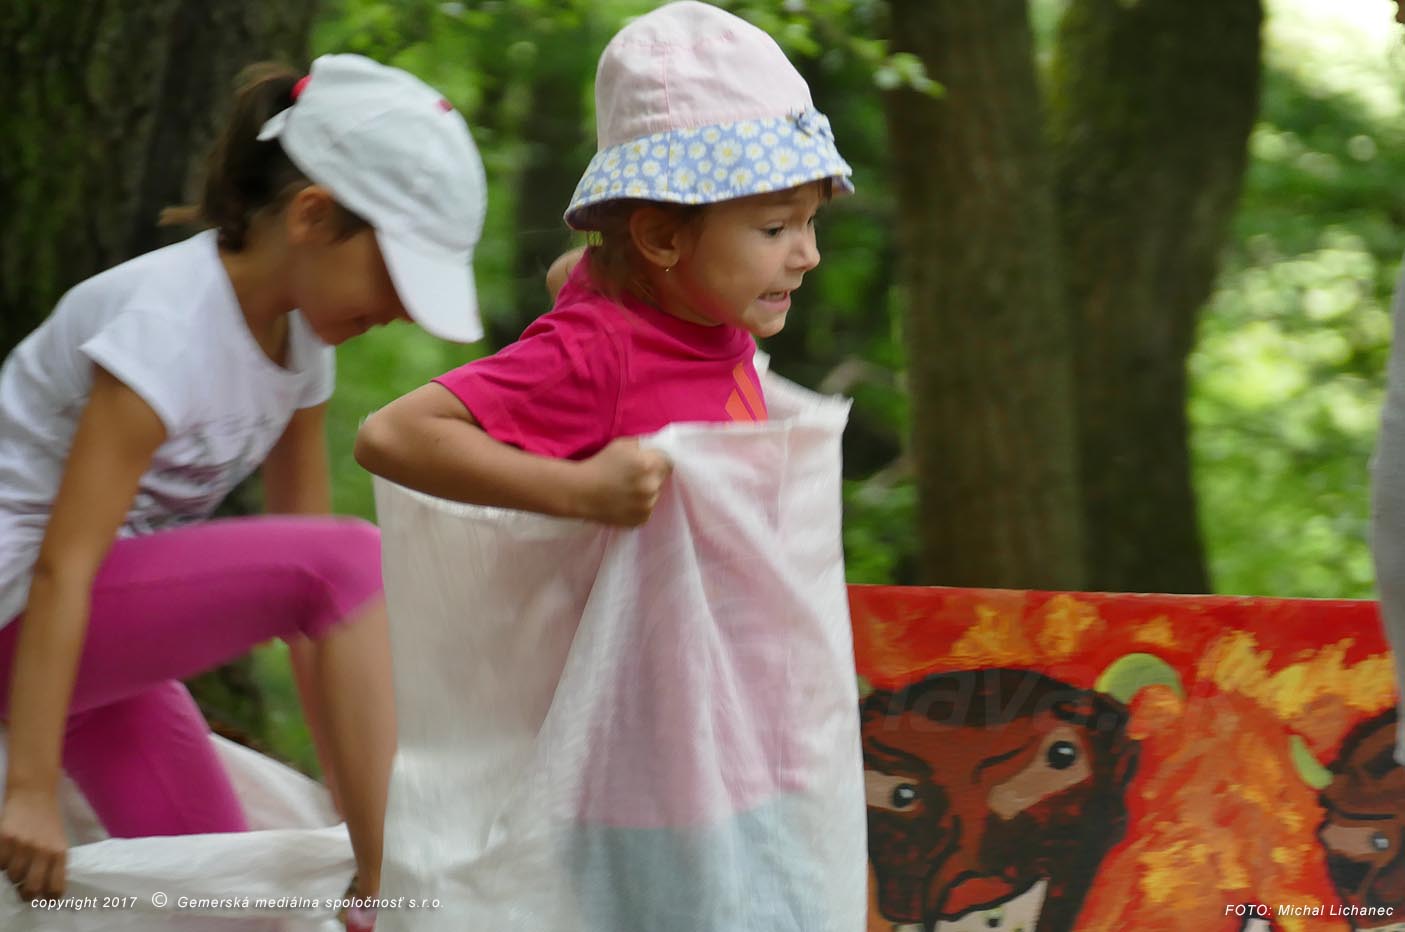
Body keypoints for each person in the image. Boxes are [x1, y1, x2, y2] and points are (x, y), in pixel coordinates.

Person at [355, 2, 854, 927]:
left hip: (743, 735)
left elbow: (573, 276)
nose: (808, 253)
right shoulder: (601, 350)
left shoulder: (699, 308)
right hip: (650, 775)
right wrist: (577, 489)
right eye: (774, 227)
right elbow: (394, 434)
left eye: (809, 221)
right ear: (661, 238)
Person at [0, 53, 486, 932]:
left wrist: (347, 797)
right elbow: (62, 568)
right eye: (396, 278)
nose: (404, 310)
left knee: (229, 911)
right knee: (353, 554)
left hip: (85, 655)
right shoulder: (165, 326)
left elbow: (325, 620)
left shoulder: (302, 348)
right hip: (23, 612)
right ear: (311, 216)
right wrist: (29, 790)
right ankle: (400, 898)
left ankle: (376, 880)